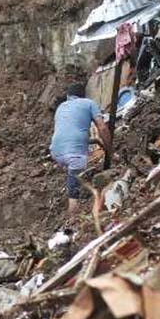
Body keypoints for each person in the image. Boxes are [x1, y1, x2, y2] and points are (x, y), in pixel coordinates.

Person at [49, 82, 112, 217]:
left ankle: (74, 186)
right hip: (74, 154)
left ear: (68, 96)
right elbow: (102, 128)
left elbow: (68, 134)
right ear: (83, 95)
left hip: (55, 151)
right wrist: (109, 147)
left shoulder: (61, 107)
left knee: (73, 169)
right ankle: (72, 216)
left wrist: (95, 141)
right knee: (74, 183)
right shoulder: (89, 103)